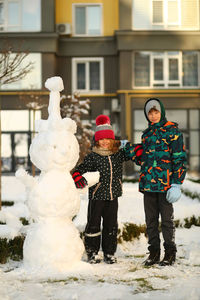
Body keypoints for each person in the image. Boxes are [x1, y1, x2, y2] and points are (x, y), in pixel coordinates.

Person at [72, 114, 142, 264]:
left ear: (112, 140)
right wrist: (78, 177)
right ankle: (92, 253)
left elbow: (133, 151)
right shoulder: (93, 157)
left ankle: (109, 253)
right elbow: (80, 169)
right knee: (93, 224)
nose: (104, 142)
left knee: (111, 225)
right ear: (97, 140)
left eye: (108, 139)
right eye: (101, 139)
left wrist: (126, 145)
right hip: (97, 197)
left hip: (113, 196)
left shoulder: (118, 154)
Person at [125, 98, 187, 266]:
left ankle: (170, 253)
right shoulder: (146, 134)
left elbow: (179, 159)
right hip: (148, 185)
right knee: (151, 221)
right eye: (150, 113)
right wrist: (129, 149)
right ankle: (154, 252)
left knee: (167, 221)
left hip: (166, 186)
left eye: (156, 112)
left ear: (162, 112)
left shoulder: (172, 132)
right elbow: (143, 159)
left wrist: (177, 183)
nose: (153, 116)